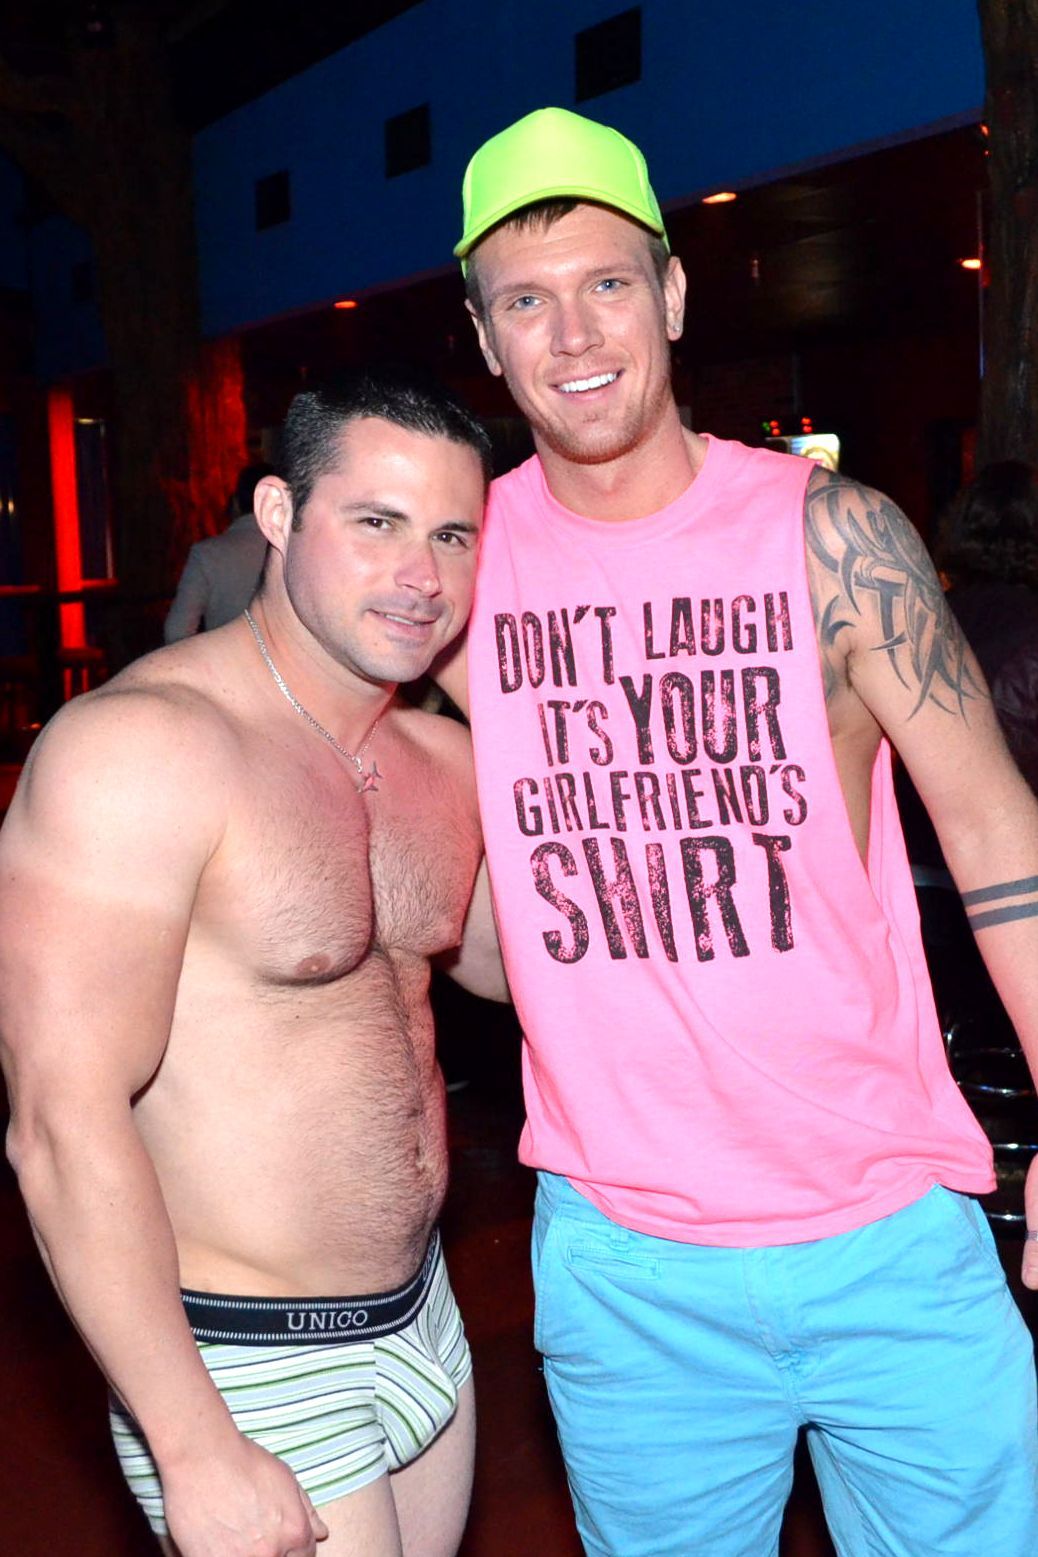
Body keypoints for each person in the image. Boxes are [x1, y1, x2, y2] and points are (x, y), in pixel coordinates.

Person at [436, 106, 1038, 1556]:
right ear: (483, 337)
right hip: (625, 1262)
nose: (574, 334)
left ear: (673, 293)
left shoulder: (837, 535)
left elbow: (993, 826)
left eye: (606, 283)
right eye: (525, 301)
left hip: (890, 1227)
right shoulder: (454, 570)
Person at [0, 365, 505, 1557]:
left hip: (423, 1318)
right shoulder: (142, 751)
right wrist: (191, 1442)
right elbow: (61, 1122)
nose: (421, 576)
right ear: (278, 514)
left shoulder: (443, 762)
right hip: (245, 1356)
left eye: (451, 536)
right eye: (375, 523)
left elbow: (512, 970)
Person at [164, 461, 275, 642]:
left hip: (226, 656)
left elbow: (176, 631)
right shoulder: (295, 549)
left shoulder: (207, 554)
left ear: (235, 503)